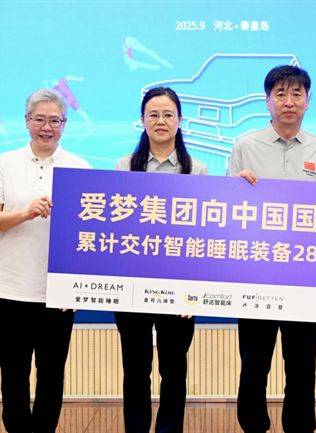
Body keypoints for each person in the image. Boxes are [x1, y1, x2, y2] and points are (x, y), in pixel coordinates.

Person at [229, 65, 316, 433]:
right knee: (254, 362)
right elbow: (226, 210)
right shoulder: (245, 146)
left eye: (296, 94)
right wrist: (235, 188)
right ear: (267, 101)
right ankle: (253, 426)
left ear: (308, 101)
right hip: (256, 274)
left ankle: (300, 427)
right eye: (280, 94)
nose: (288, 101)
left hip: (305, 277)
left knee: (303, 363)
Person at [0, 89, 91, 433]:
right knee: (13, 373)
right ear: (27, 121)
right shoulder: (3, 163)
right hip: (8, 288)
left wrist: (77, 288)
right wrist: (25, 213)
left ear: (64, 124)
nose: (47, 127)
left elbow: (88, 235)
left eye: (55, 120)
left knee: (52, 373)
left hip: (57, 292)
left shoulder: (80, 168)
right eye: (39, 119)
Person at [114, 86, 207, 433]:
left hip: (179, 288)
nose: (160, 121)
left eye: (168, 114)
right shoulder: (125, 166)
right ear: (142, 120)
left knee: (174, 369)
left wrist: (194, 292)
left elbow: (203, 236)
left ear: (180, 120)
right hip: (132, 285)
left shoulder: (196, 170)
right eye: (153, 114)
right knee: (135, 369)